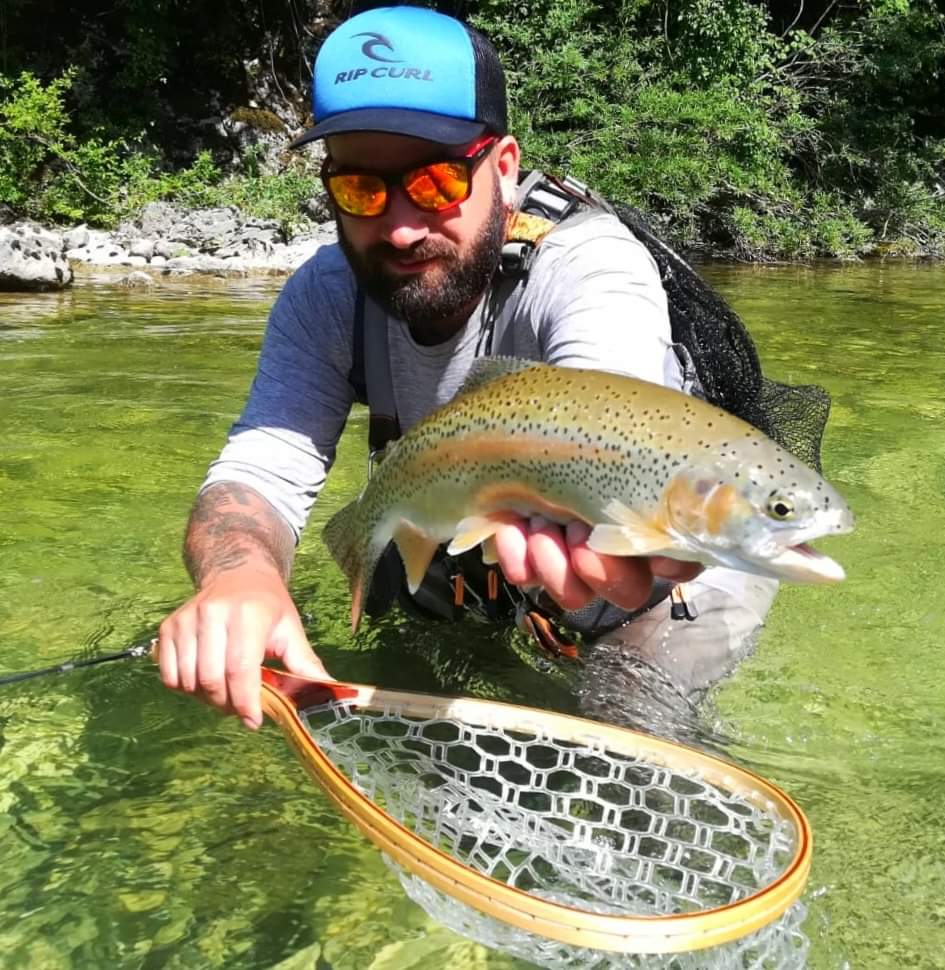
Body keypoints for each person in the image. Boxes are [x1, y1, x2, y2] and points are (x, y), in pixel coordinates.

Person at [156, 5, 778, 732]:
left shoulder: (591, 270)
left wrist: (590, 527)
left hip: (678, 566)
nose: (400, 225)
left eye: (436, 182)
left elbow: (617, 414)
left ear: (503, 168)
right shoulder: (327, 294)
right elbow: (260, 471)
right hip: (477, 522)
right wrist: (242, 575)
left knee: (625, 725)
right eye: (359, 189)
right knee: (407, 688)